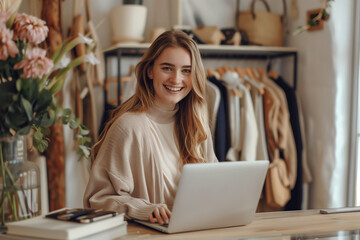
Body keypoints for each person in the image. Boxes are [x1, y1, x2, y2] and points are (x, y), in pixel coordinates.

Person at [83, 30, 218, 225]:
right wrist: (144, 209)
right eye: (167, 68)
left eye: (186, 70)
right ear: (150, 71)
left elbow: (214, 183)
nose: (176, 79)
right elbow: (96, 200)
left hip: (194, 231)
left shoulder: (197, 125)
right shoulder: (128, 127)